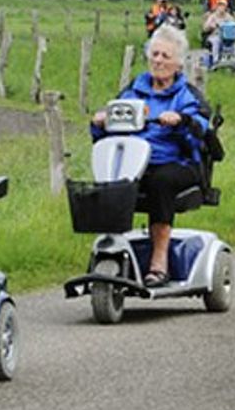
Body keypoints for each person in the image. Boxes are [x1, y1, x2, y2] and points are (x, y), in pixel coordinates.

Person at [90, 26, 210, 288]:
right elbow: (112, 122)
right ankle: (111, 249)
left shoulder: (184, 95)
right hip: (134, 162)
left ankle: (159, 261)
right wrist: (100, 122)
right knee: (110, 182)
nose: (158, 60)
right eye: (155, 54)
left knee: (160, 181)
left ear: (178, 63)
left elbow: (201, 128)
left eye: (166, 56)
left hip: (176, 162)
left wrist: (180, 120)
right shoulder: (134, 89)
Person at [202, 0, 235, 67]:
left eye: (223, 5)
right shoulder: (212, 16)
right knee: (216, 41)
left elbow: (234, 24)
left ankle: (233, 59)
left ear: (225, 7)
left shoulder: (228, 17)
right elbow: (205, 28)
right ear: (217, 7)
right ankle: (216, 61)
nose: (221, 7)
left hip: (226, 36)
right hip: (215, 35)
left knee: (234, 42)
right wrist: (211, 26)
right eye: (220, 5)